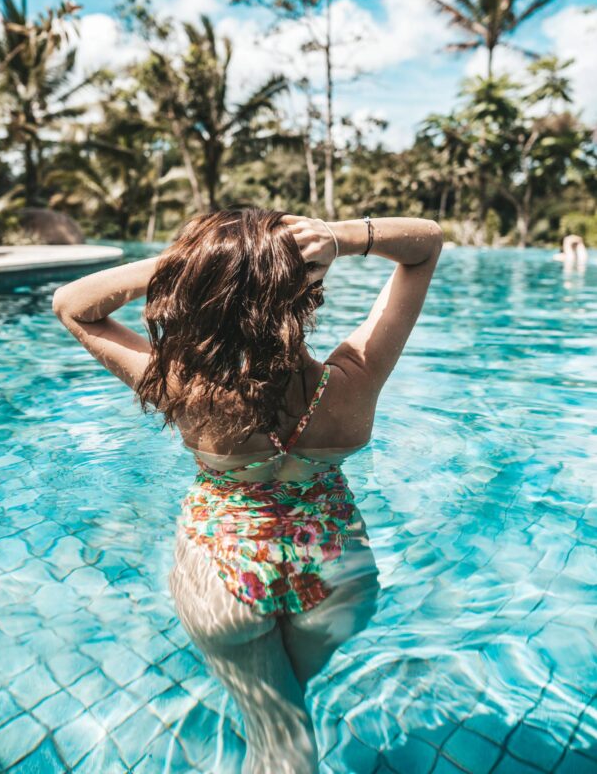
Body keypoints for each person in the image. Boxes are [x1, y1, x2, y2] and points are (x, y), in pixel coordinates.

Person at [52, 209, 443, 773]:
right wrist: (344, 237)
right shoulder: (355, 379)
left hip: (223, 581)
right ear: (306, 296)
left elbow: (73, 305)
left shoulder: (185, 389)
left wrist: (203, 265)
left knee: (282, 735)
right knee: (287, 718)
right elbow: (426, 244)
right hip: (338, 582)